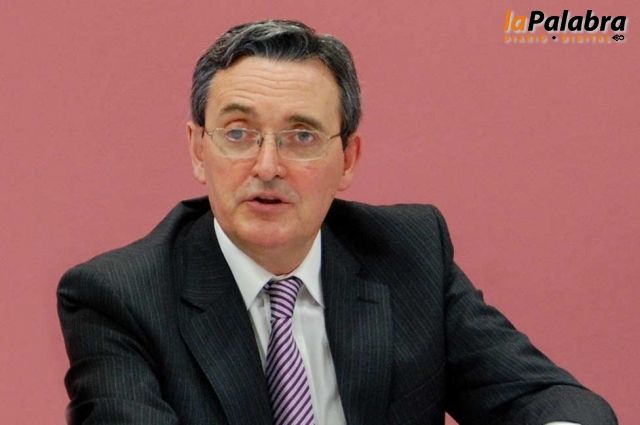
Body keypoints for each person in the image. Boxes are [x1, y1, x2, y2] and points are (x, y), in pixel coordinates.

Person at [57, 19, 617, 425]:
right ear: (199, 150)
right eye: (238, 133)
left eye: (301, 136)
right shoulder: (118, 297)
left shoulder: (409, 255)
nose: (267, 165)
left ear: (347, 159)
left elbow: (548, 400)